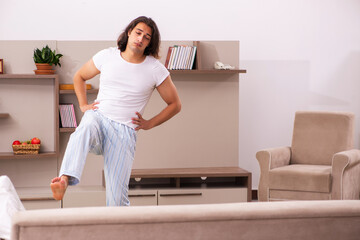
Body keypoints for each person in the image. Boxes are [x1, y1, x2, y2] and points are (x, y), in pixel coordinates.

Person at [50, 16, 181, 206]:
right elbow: (79, 76)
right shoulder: (107, 55)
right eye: (138, 33)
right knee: (85, 126)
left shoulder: (155, 69)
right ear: (129, 32)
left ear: (149, 43)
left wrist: (149, 124)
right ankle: (64, 179)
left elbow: (175, 104)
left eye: (147, 37)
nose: (141, 39)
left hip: (124, 132)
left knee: (117, 199)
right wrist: (83, 105)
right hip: (99, 118)